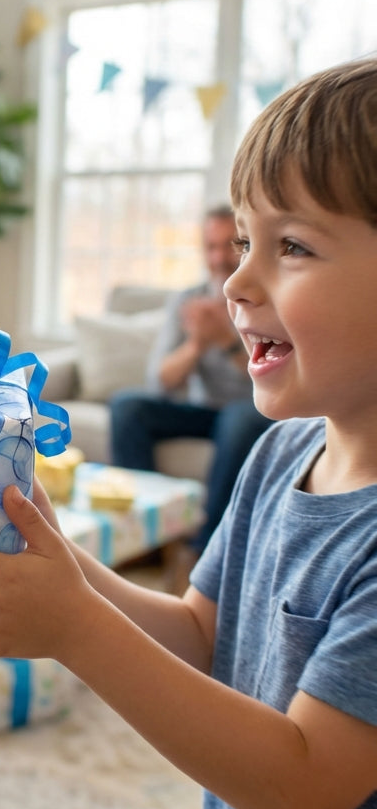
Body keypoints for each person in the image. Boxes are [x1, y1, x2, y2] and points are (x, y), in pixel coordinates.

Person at [0, 57, 377, 809]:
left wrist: (74, 627)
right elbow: (201, 637)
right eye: (244, 241)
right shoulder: (280, 454)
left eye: (292, 246)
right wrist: (64, 571)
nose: (238, 280)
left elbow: (303, 782)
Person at [109, 204, 272, 555]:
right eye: (209, 247)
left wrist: (227, 341)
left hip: (247, 411)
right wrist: (197, 343)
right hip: (200, 411)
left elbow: (273, 381)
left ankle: (205, 550)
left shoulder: (263, 298)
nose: (217, 258)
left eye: (228, 245)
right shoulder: (187, 300)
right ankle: (142, 537)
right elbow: (160, 381)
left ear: (245, 245)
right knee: (127, 405)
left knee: (238, 418)